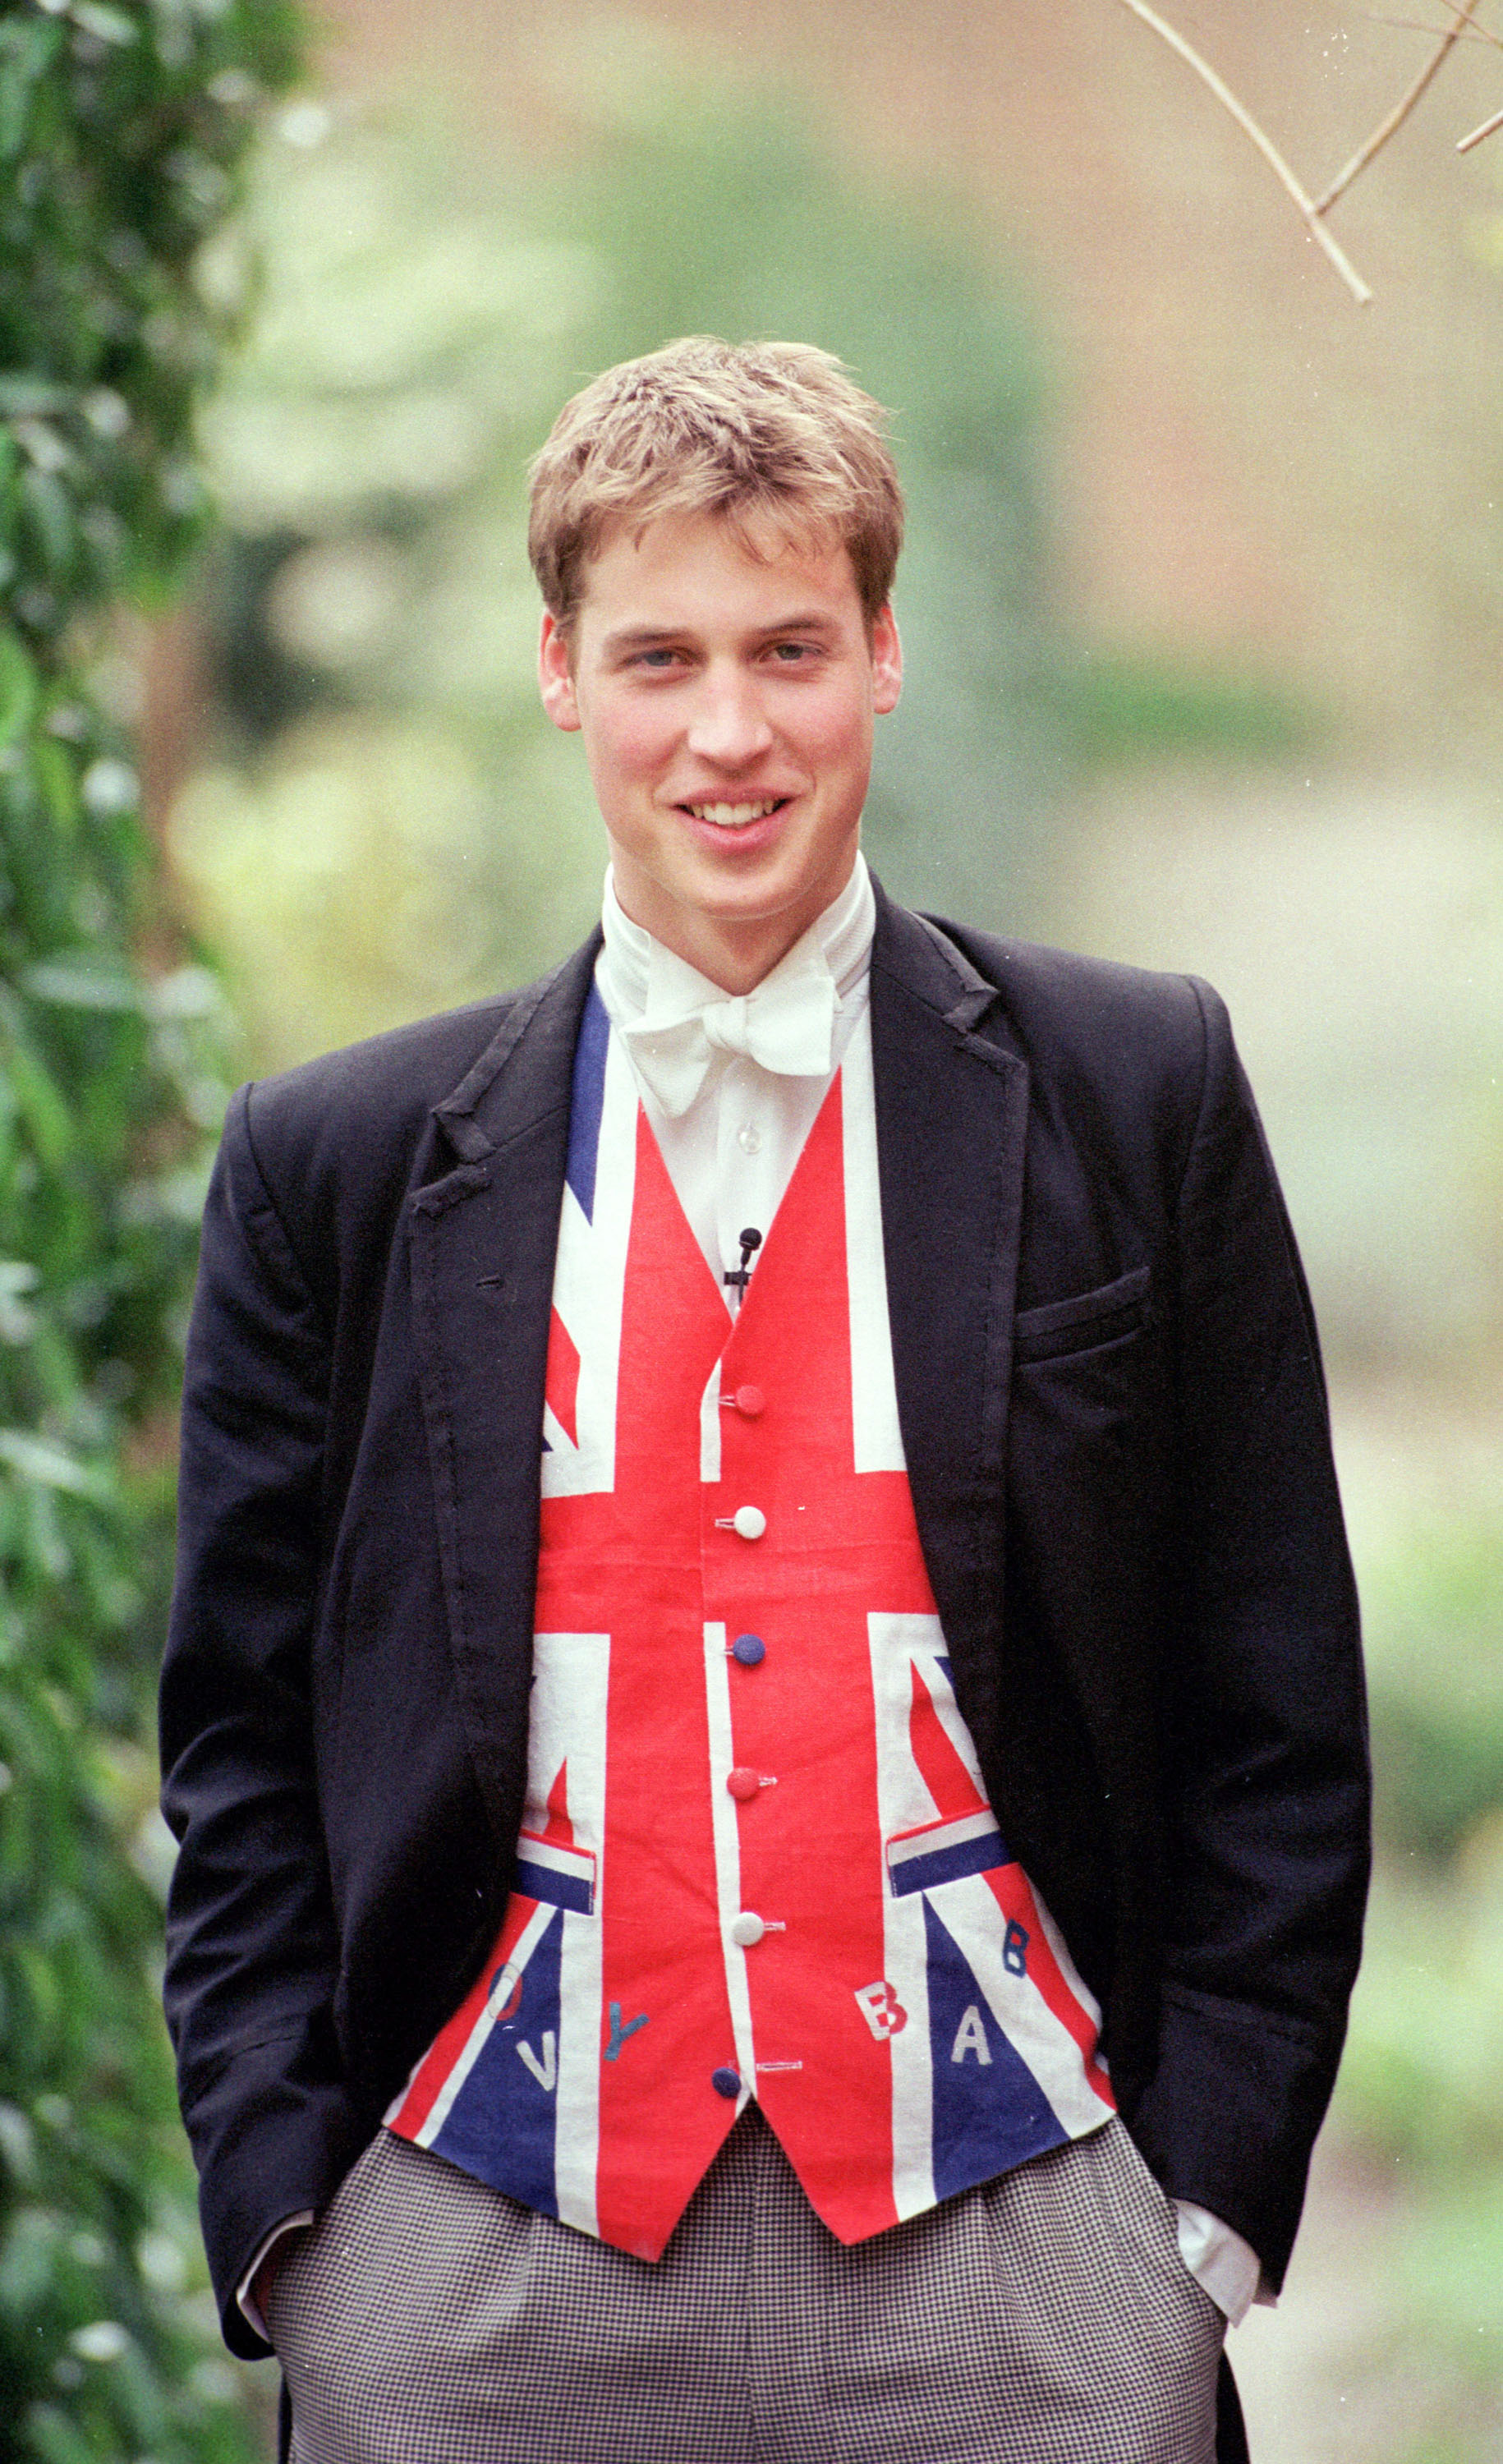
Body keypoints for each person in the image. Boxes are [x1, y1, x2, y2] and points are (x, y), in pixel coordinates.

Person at [159, 337, 1369, 2464]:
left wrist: (1192, 2234)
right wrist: (301, 2242)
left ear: (885, 649)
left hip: (1028, 2243)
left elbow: (1274, 1695)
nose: (731, 732)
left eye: (791, 648)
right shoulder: (334, 1166)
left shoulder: (1139, 1085)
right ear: (559, 668)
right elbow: (240, 1744)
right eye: (661, 658)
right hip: (475, 2259)